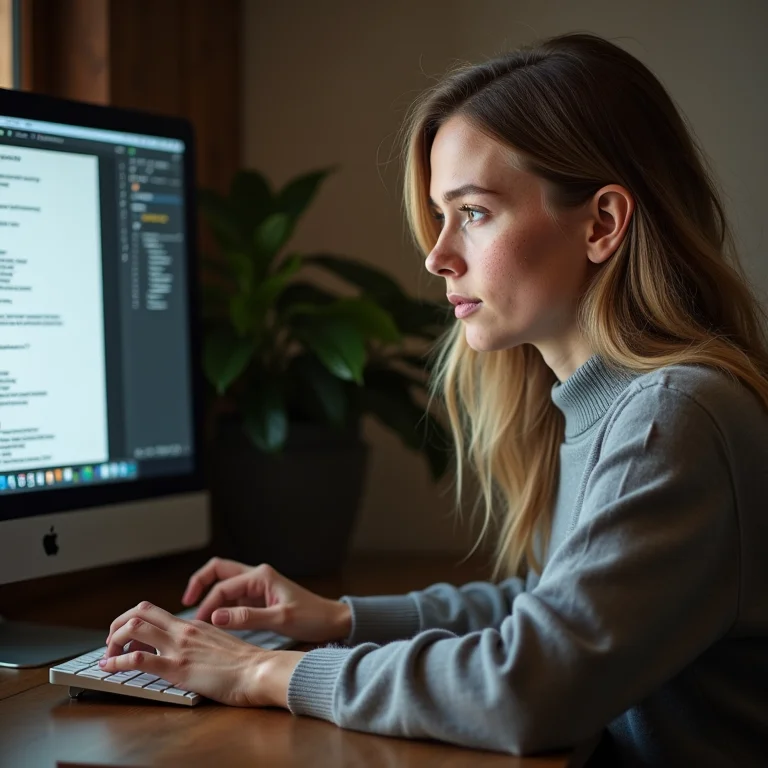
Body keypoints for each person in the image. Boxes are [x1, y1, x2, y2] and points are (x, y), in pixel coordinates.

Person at [99, 32, 768, 765]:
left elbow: (529, 685)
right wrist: (340, 618)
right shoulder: (612, 405)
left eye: (473, 212)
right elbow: (547, 608)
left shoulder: (674, 418)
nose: (437, 254)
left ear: (601, 224)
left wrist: (257, 668)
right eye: (439, 215)